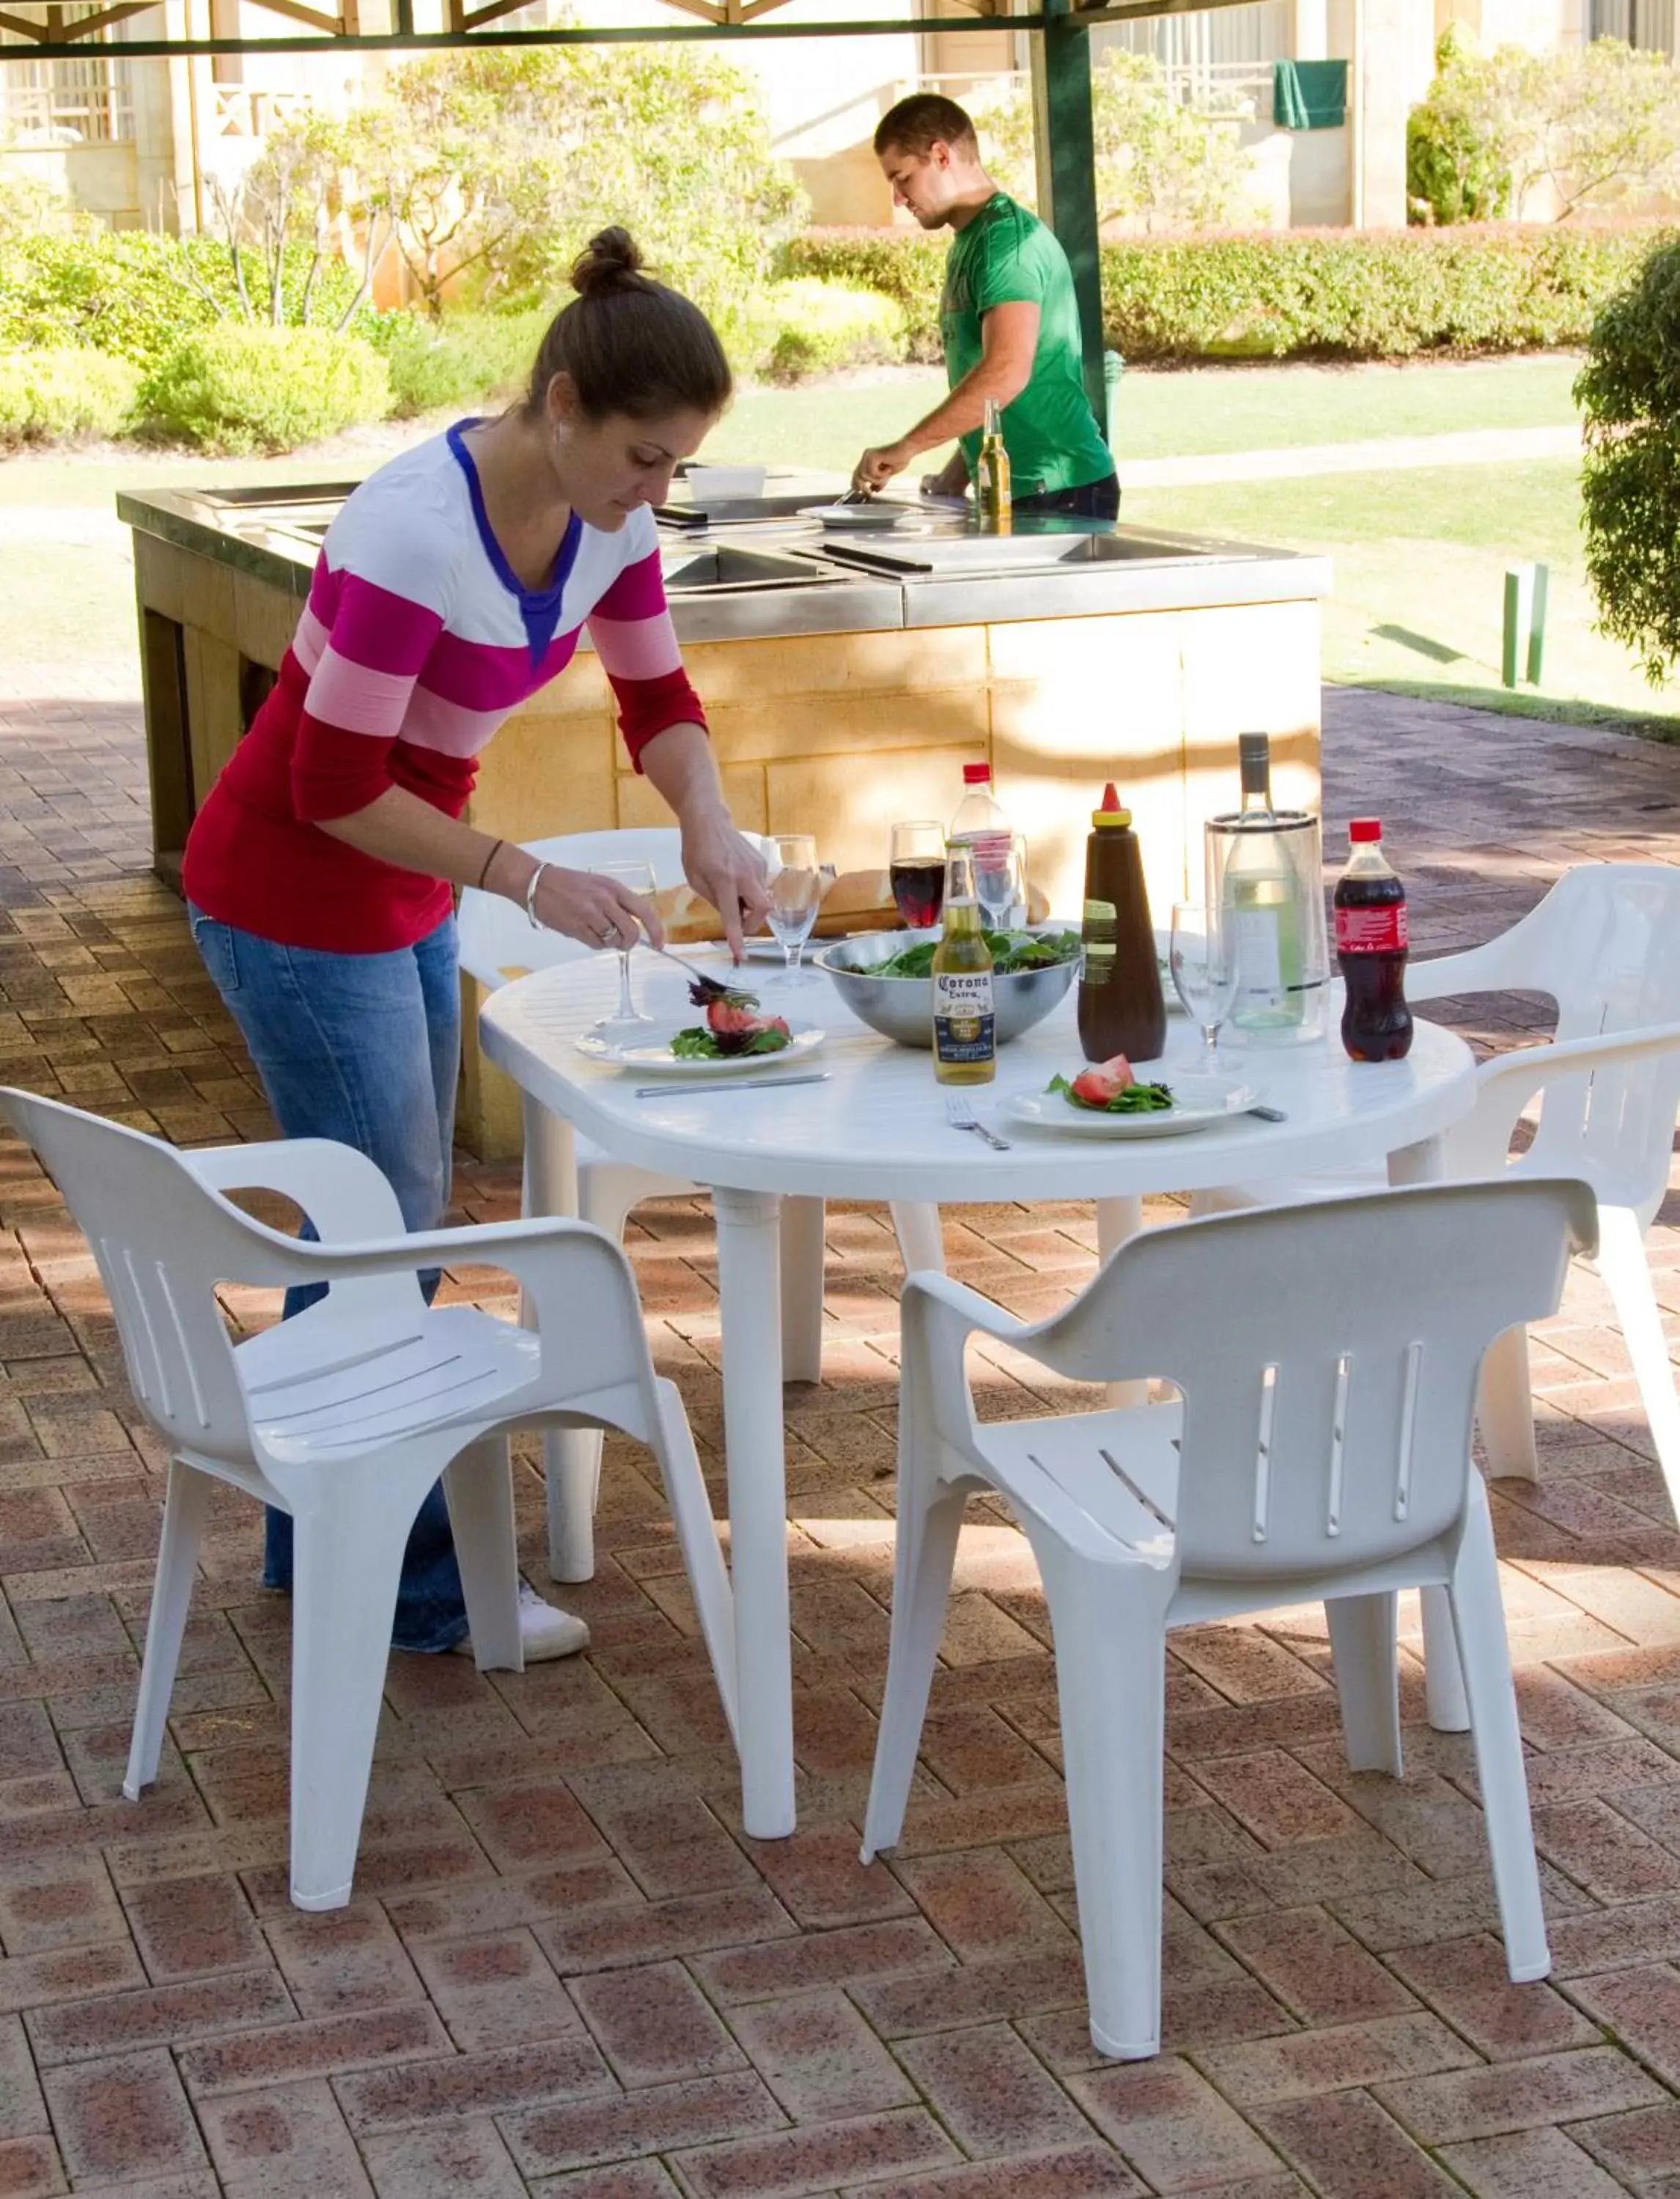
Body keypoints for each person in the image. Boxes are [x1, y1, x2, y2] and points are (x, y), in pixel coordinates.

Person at [181, 227, 770, 1663]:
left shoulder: (610, 527)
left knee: (376, 1218)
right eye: (646, 456)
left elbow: (656, 698)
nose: (660, 493)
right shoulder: (410, 528)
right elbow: (329, 788)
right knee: (392, 1233)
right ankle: (416, 1592)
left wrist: (706, 816)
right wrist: (524, 878)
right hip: (289, 896)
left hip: (400, 892)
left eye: (679, 463)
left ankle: (316, 1549)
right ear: (561, 404)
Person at [851, 93, 1118, 520]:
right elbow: (993, 395)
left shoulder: (1004, 244)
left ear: (940, 155)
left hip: (1057, 489)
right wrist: (957, 474)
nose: (898, 198)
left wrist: (909, 446)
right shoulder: (971, 242)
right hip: (1021, 487)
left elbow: (1006, 374)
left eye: (902, 178)